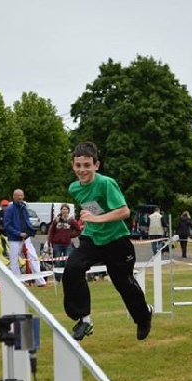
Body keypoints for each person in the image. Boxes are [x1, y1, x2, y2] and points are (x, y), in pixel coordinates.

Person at [63, 141, 153, 341]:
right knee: (73, 266)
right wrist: (92, 221)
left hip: (117, 240)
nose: (82, 170)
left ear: (96, 165)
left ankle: (144, 315)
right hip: (93, 238)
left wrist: (96, 218)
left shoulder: (106, 183)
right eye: (78, 166)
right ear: (73, 165)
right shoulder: (74, 188)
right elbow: (94, 207)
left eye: (87, 165)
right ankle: (84, 319)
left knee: (123, 282)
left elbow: (124, 211)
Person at [3, 189, 47, 286]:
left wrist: (29, 231)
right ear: (14, 196)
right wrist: (18, 233)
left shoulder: (24, 208)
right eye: (18, 195)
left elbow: (27, 221)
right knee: (14, 260)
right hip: (14, 239)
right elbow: (7, 225)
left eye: (21, 195)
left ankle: (40, 280)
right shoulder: (10, 209)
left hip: (26, 237)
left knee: (34, 257)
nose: (20, 197)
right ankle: (18, 282)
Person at [47, 203, 81, 282]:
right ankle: (58, 279)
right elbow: (51, 232)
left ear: (68, 211)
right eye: (63, 209)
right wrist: (49, 244)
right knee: (58, 262)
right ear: (61, 210)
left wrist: (70, 235)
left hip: (67, 244)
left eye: (66, 209)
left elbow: (78, 230)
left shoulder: (71, 220)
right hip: (57, 244)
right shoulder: (56, 220)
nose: (64, 211)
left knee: (68, 261)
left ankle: (68, 278)